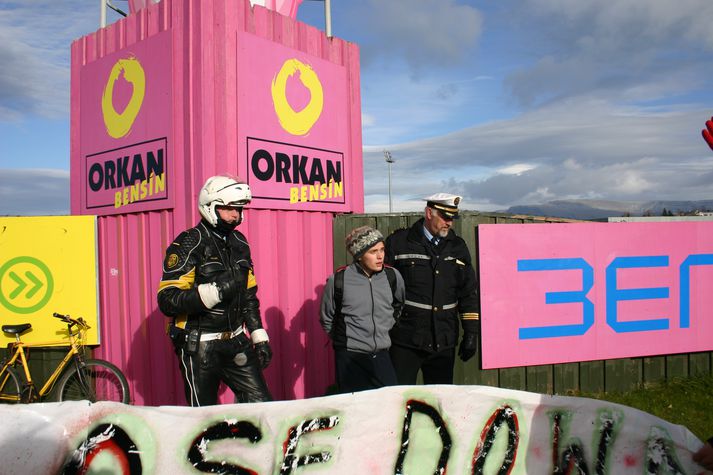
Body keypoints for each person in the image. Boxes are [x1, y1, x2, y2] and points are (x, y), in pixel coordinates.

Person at [157, 174, 273, 406]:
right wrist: (215, 291)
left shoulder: (240, 242)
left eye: (239, 209)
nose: (236, 215)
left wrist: (259, 335)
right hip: (200, 345)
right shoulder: (189, 243)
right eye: (229, 208)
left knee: (262, 408)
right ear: (210, 207)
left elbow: (249, 296)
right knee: (204, 421)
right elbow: (167, 300)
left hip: (237, 341)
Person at [385, 192, 480, 385]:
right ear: (429, 213)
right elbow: (382, 289)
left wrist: (471, 332)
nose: (449, 223)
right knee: (400, 400)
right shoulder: (399, 243)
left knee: (439, 403)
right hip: (406, 341)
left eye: (452, 218)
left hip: (443, 341)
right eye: (444, 217)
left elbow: (468, 292)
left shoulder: (458, 247)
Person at [320, 226, 405, 392]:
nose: (380, 256)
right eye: (373, 251)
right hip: (350, 358)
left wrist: (385, 327)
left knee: (388, 405)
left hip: (382, 355)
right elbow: (327, 317)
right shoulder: (339, 280)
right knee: (355, 411)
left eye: (382, 250)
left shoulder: (392, 276)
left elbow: (398, 304)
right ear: (359, 255)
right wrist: (346, 340)